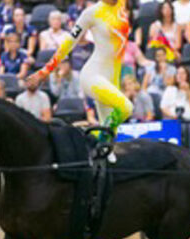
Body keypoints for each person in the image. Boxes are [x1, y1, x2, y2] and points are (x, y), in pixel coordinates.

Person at [27, 0, 134, 162]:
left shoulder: (122, 5)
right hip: (93, 75)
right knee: (126, 107)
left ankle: (92, 150)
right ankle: (93, 141)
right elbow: (68, 44)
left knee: (110, 153)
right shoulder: (91, 13)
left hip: (112, 78)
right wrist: (45, 71)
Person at [161, 66, 190, 151]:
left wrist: (188, 91)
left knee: (188, 130)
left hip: (189, 121)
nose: (180, 75)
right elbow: (163, 107)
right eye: (178, 73)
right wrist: (173, 116)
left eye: (183, 73)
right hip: (173, 120)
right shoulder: (170, 89)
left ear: (187, 76)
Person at [142, 47, 176, 119]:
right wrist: (145, 95)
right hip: (151, 92)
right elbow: (144, 85)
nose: (160, 57)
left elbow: (169, 85)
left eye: (162, 55)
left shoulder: (172, 69)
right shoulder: (151, 68)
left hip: (164, 92)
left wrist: (164, 72)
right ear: (156, 58)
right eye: (158, 56)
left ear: (166, 56)